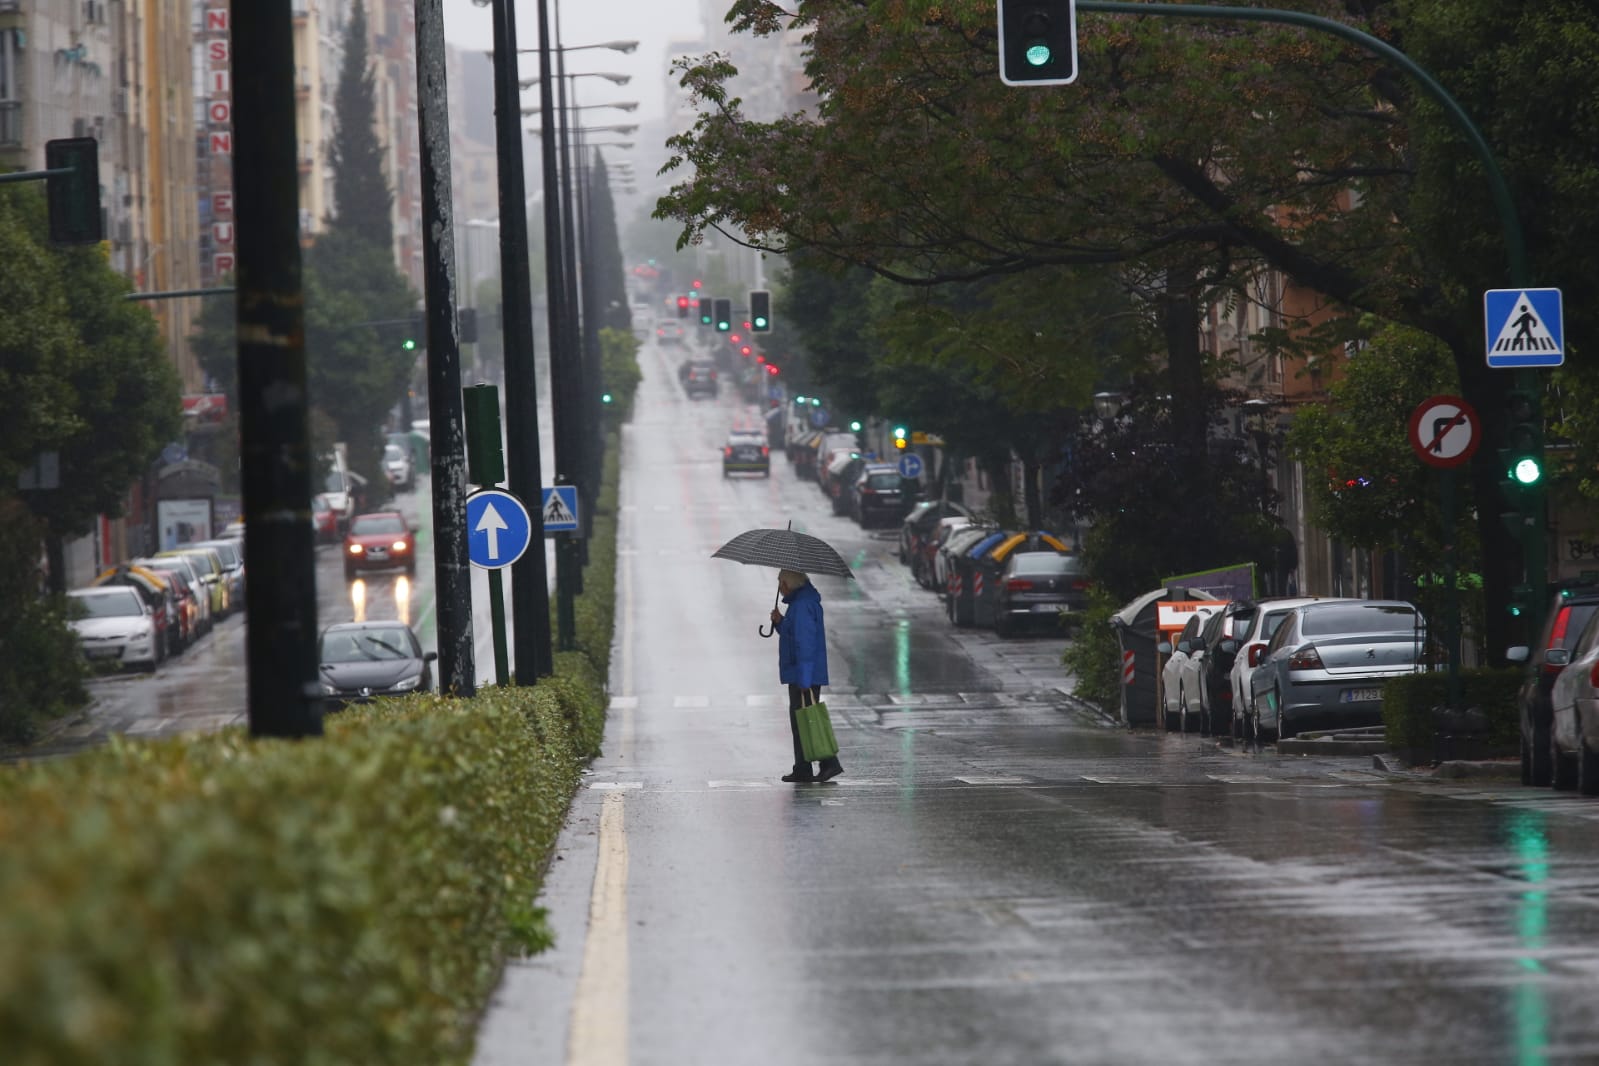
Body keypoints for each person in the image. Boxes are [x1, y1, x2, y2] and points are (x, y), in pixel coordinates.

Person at [770, 569, 843, 784]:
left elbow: (805, 644)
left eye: (781, 583)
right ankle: (803, 767)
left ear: (789, 584)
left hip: (805, 674)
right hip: (802, 672)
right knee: (801, 721)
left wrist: (804, 679)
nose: (780, 588)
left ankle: (829, 763)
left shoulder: (801, 606)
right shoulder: (799, 603)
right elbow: (794, 636)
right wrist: (779, 622)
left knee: (808, 721)